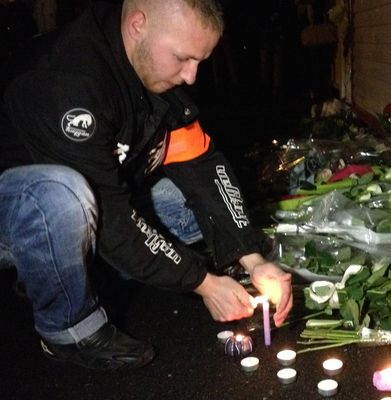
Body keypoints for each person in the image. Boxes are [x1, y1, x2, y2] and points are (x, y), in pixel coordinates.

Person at [0, 0, 293, 371]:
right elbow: (111, 216)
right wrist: (202, 282)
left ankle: (75, 266)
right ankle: (68, 329)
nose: (192, 77)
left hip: (92, 198)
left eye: (199, 61)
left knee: (184, 206)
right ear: (138, 24)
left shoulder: (150, 66)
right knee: (64, 196)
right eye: (183, 59)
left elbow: (204, 168)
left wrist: (251, 259)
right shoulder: (66, 81)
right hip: (19, 209)